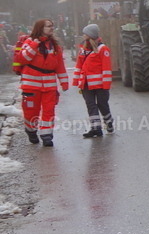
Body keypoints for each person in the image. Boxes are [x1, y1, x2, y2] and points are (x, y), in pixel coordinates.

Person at [16, 19, 69, 147]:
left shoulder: (55, 46)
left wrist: (64, 82)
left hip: (49, 85)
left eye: (52, 26)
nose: (52, 28)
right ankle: (31, 130)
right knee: (31, 112)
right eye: (48, 26)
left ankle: (47, 136)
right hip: (31, 85)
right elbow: (22, 59)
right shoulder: (29, 42)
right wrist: (34, 45)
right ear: (40, 28)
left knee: (49, 111)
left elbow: (59, 65)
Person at [72, 24, 114, 138]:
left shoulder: (102, 49)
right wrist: (76, 82)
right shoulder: (83, 50)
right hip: (86, 84)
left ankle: (109, 122)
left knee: (102, 105)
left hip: (100, 85)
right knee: (91, 106)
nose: (83, 35)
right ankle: (96, 129)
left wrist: (106, 85)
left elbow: (106, 68)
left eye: (85, 33)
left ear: (90, 35)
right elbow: (79, 66)